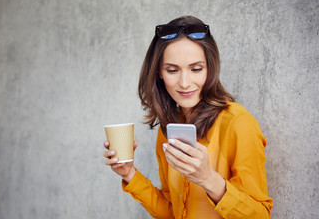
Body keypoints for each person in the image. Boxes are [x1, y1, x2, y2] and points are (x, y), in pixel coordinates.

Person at [103, 15, 273, 219]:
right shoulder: (169, 128)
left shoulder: (239, 123)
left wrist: (208, 178)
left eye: (196, 69)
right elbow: (171, 212)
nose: (184, 83)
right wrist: (129, 173)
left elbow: (260, 215)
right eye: (172, 70)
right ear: (159, 72)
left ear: (210, 68)